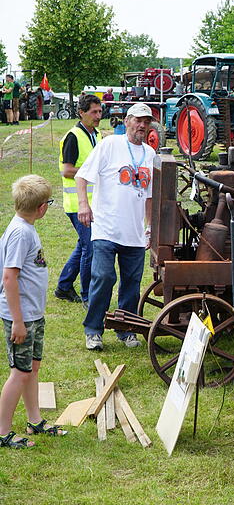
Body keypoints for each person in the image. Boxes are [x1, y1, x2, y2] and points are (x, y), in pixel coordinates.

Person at [75, 102, 155, 350]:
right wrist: (83, 205)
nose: (142, 125)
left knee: (132, 283)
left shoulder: (151, 154)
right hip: (106, 227)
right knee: (103, 276)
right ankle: (93, 329)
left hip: (134, 232)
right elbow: (81, 176)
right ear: (127, 121)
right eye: (138, 120)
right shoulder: (110, 144)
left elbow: (150, 196)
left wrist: (149, 226)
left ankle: (126, 329)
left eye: (146, 121)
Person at [0, 175, 68, 449]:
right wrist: (18, 321)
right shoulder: (20, 233)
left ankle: (34, 420)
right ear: (42, 207)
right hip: (22, 317)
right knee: (20, 371)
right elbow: (9, 278)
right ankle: (3, 432)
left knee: (32, 368)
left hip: (32, 314)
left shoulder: (25, 226)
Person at [54, 94, 102, 307]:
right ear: (81, 113)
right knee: (89, 249)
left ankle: (64, 287)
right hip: (77, 204)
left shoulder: (97, 134)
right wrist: (93, 171)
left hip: (94, 202)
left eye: (100, 112)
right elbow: (67, 171)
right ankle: (87, 296)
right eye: (94, 112)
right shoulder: (73, 136)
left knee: (82, 246)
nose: (98, 116)